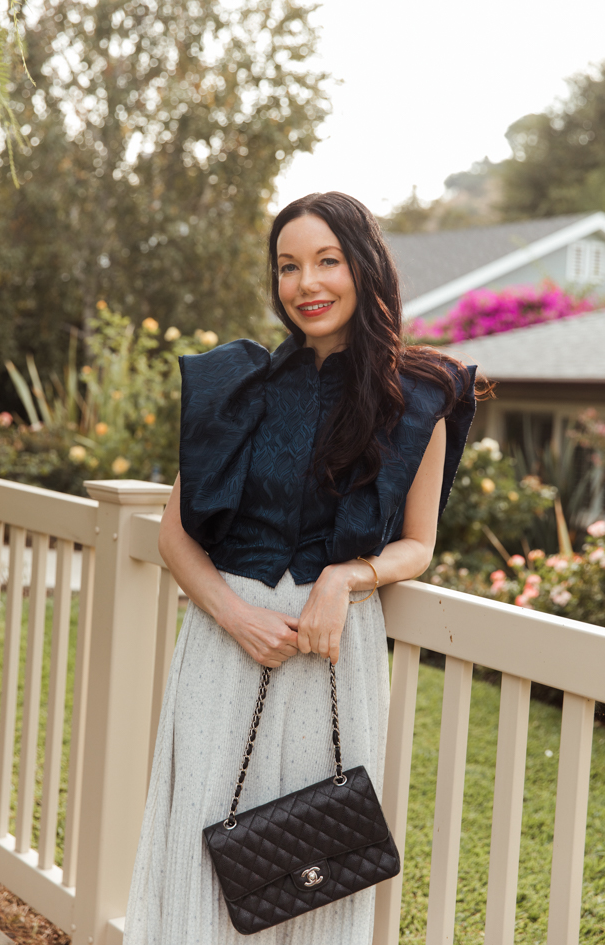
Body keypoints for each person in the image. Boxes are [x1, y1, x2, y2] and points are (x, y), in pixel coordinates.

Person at [123, 192, 483, 945]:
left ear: (365, 266)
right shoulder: (237, 384)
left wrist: (346, 577)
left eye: (327, 260)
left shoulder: (420, 394)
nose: (306, 283)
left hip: (332, 651)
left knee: (321, 858)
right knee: (204, 846)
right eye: (289, 266)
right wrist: (236, 616)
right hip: (227, 645)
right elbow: (175, 536)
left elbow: (420, 542)